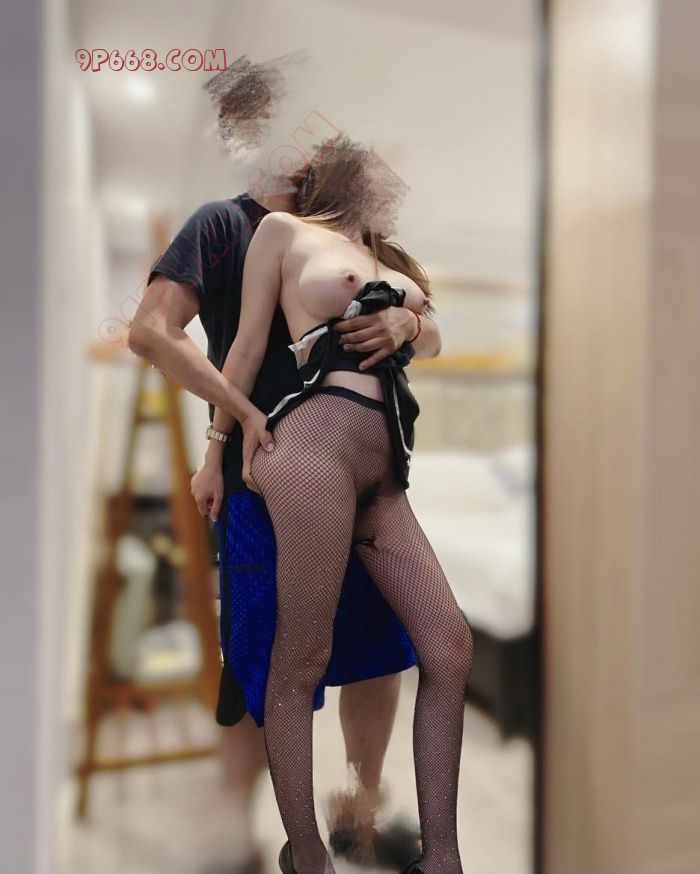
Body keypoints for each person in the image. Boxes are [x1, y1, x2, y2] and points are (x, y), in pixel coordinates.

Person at [127, 164, 444, 871]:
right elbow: (151, 332)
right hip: (262, 475)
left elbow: (422, 329)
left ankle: (358, 822)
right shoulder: (223, 224)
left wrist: (412, 322)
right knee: (260, 663)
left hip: (364, 476)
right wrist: (227, 433)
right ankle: (237, 834)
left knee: (379, 655)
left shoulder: (353, 238)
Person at [201, 161, 475, 874]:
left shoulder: (390, 259)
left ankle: (442, 858)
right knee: (302, 656)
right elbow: (247, 347)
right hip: (310, 449)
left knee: (448, 647)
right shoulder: (284, 232)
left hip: (384, 475)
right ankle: (307, 857)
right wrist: (215, 452)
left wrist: (410, 320)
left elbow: (434, 340)